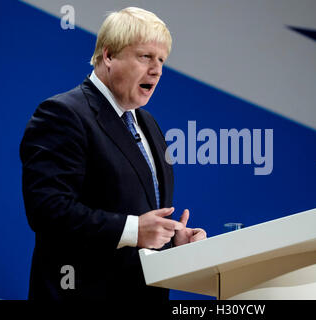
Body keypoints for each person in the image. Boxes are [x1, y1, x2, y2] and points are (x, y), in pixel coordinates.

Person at [20, 7, 206, 300]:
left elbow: (138, 215)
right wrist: (134, 230)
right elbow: (48, 211)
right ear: (108, 56)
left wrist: (170, 240)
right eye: (145, 56)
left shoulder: (147, 123)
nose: (156, 69)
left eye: (161, 60)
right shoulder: (63, 114)